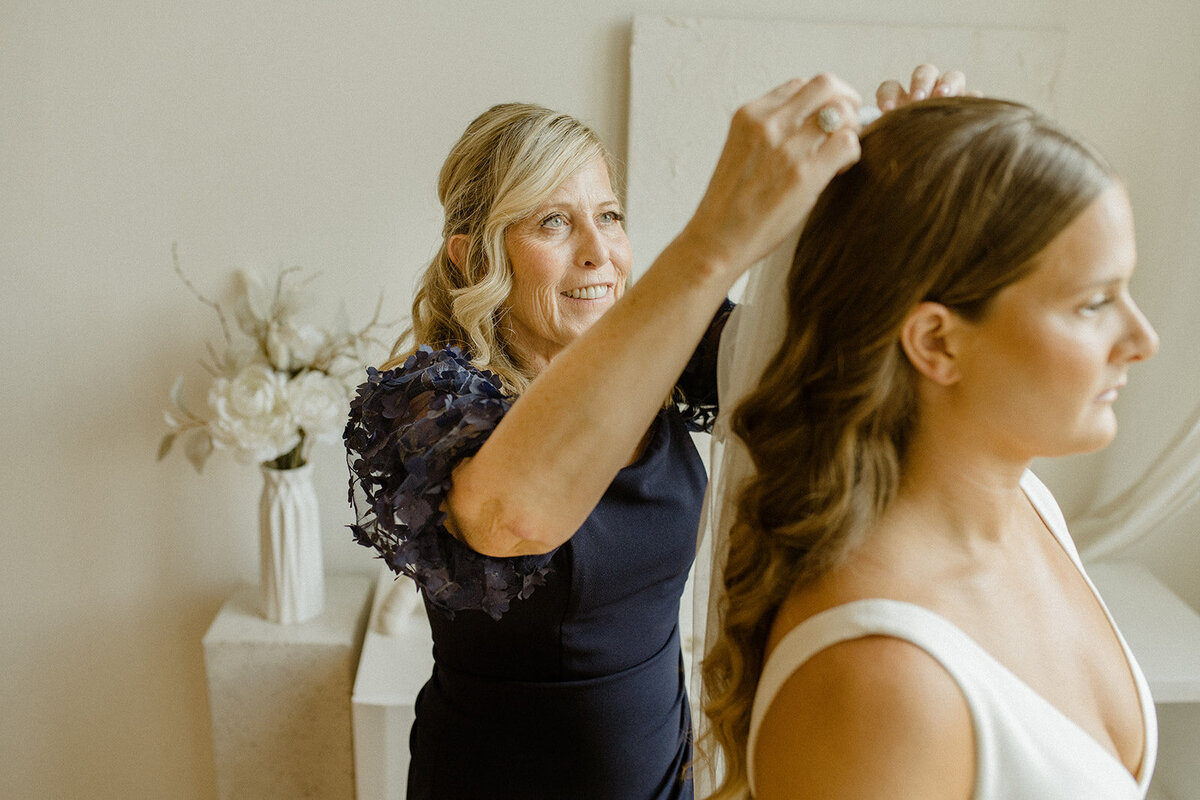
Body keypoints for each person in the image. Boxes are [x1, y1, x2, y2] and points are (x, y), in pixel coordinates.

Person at [344, 67, 965, 799]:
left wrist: (909, 184)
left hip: (663, 778)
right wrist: (720, 232)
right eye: (553, 221)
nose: (598, 252)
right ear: (471, 254)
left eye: (609, 216)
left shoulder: (664, 350)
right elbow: (514, 518)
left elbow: (822, 355)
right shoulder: (423, 404)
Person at [698, 96, 1160, 799]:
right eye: (1093, 303)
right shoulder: (877, 684)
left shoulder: (1030, 505)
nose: (1141, 340)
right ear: (938, 341)